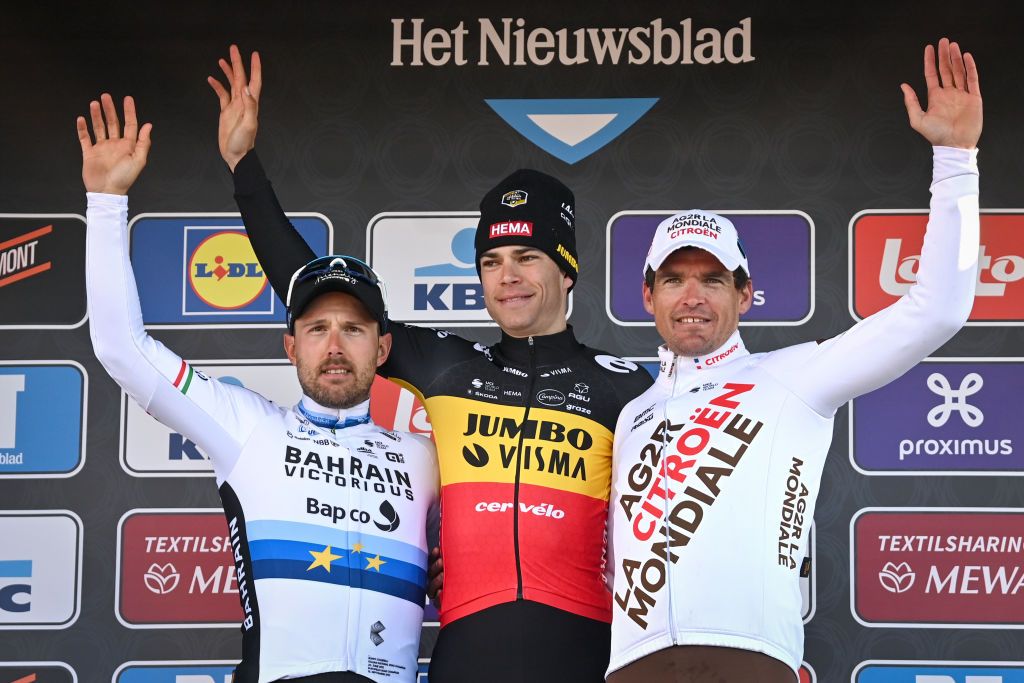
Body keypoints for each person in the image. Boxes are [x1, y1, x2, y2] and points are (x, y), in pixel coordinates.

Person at [207, 46, 653, 682]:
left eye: (527, 257)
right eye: (492, 263)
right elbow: (312, 284)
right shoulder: (449, 365)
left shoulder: (624, 385)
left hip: (585, 645)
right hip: (467, 648)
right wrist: (243, 168)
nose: (508, 278)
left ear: (567, 266)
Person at [606, 37, 982, 683]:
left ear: (746, 293)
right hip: (632, 671)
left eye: (713, 278)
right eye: (673, 279)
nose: (691, 295)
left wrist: (955, 159)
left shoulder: (791, 377)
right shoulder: (632, 412)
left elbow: (938, 307)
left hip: (750, 665)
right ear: (648, 295)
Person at [80, 93, 439, 683]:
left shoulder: (425, 457)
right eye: (317, 328)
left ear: (383, 349)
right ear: (291, 346)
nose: (334, 346)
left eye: (353, 329)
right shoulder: (247, 427)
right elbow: (121, 347)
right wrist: (106, 201)